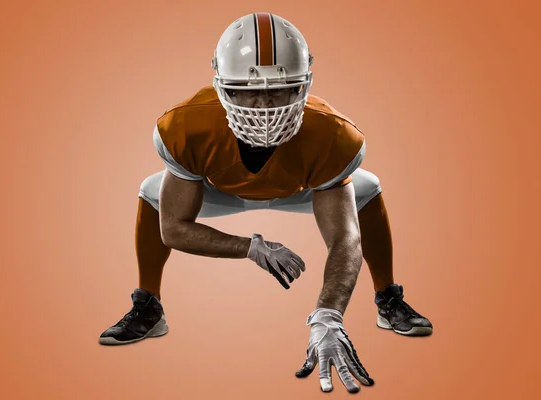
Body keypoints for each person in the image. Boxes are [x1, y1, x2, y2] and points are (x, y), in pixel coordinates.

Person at [99, 12, 432, 393]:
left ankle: (387, 298)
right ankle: (149, 305)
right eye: (246, 90)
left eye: (281, 88)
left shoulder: (332, 135)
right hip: (219, 189)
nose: (264, 105)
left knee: (367, 188)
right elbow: (174, 228)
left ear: (303, 86)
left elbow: (345, 240)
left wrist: (329, 316)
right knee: (154, 191)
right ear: (222, 87)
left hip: (301, 187)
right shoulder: (188, 125)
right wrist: (249, 248)